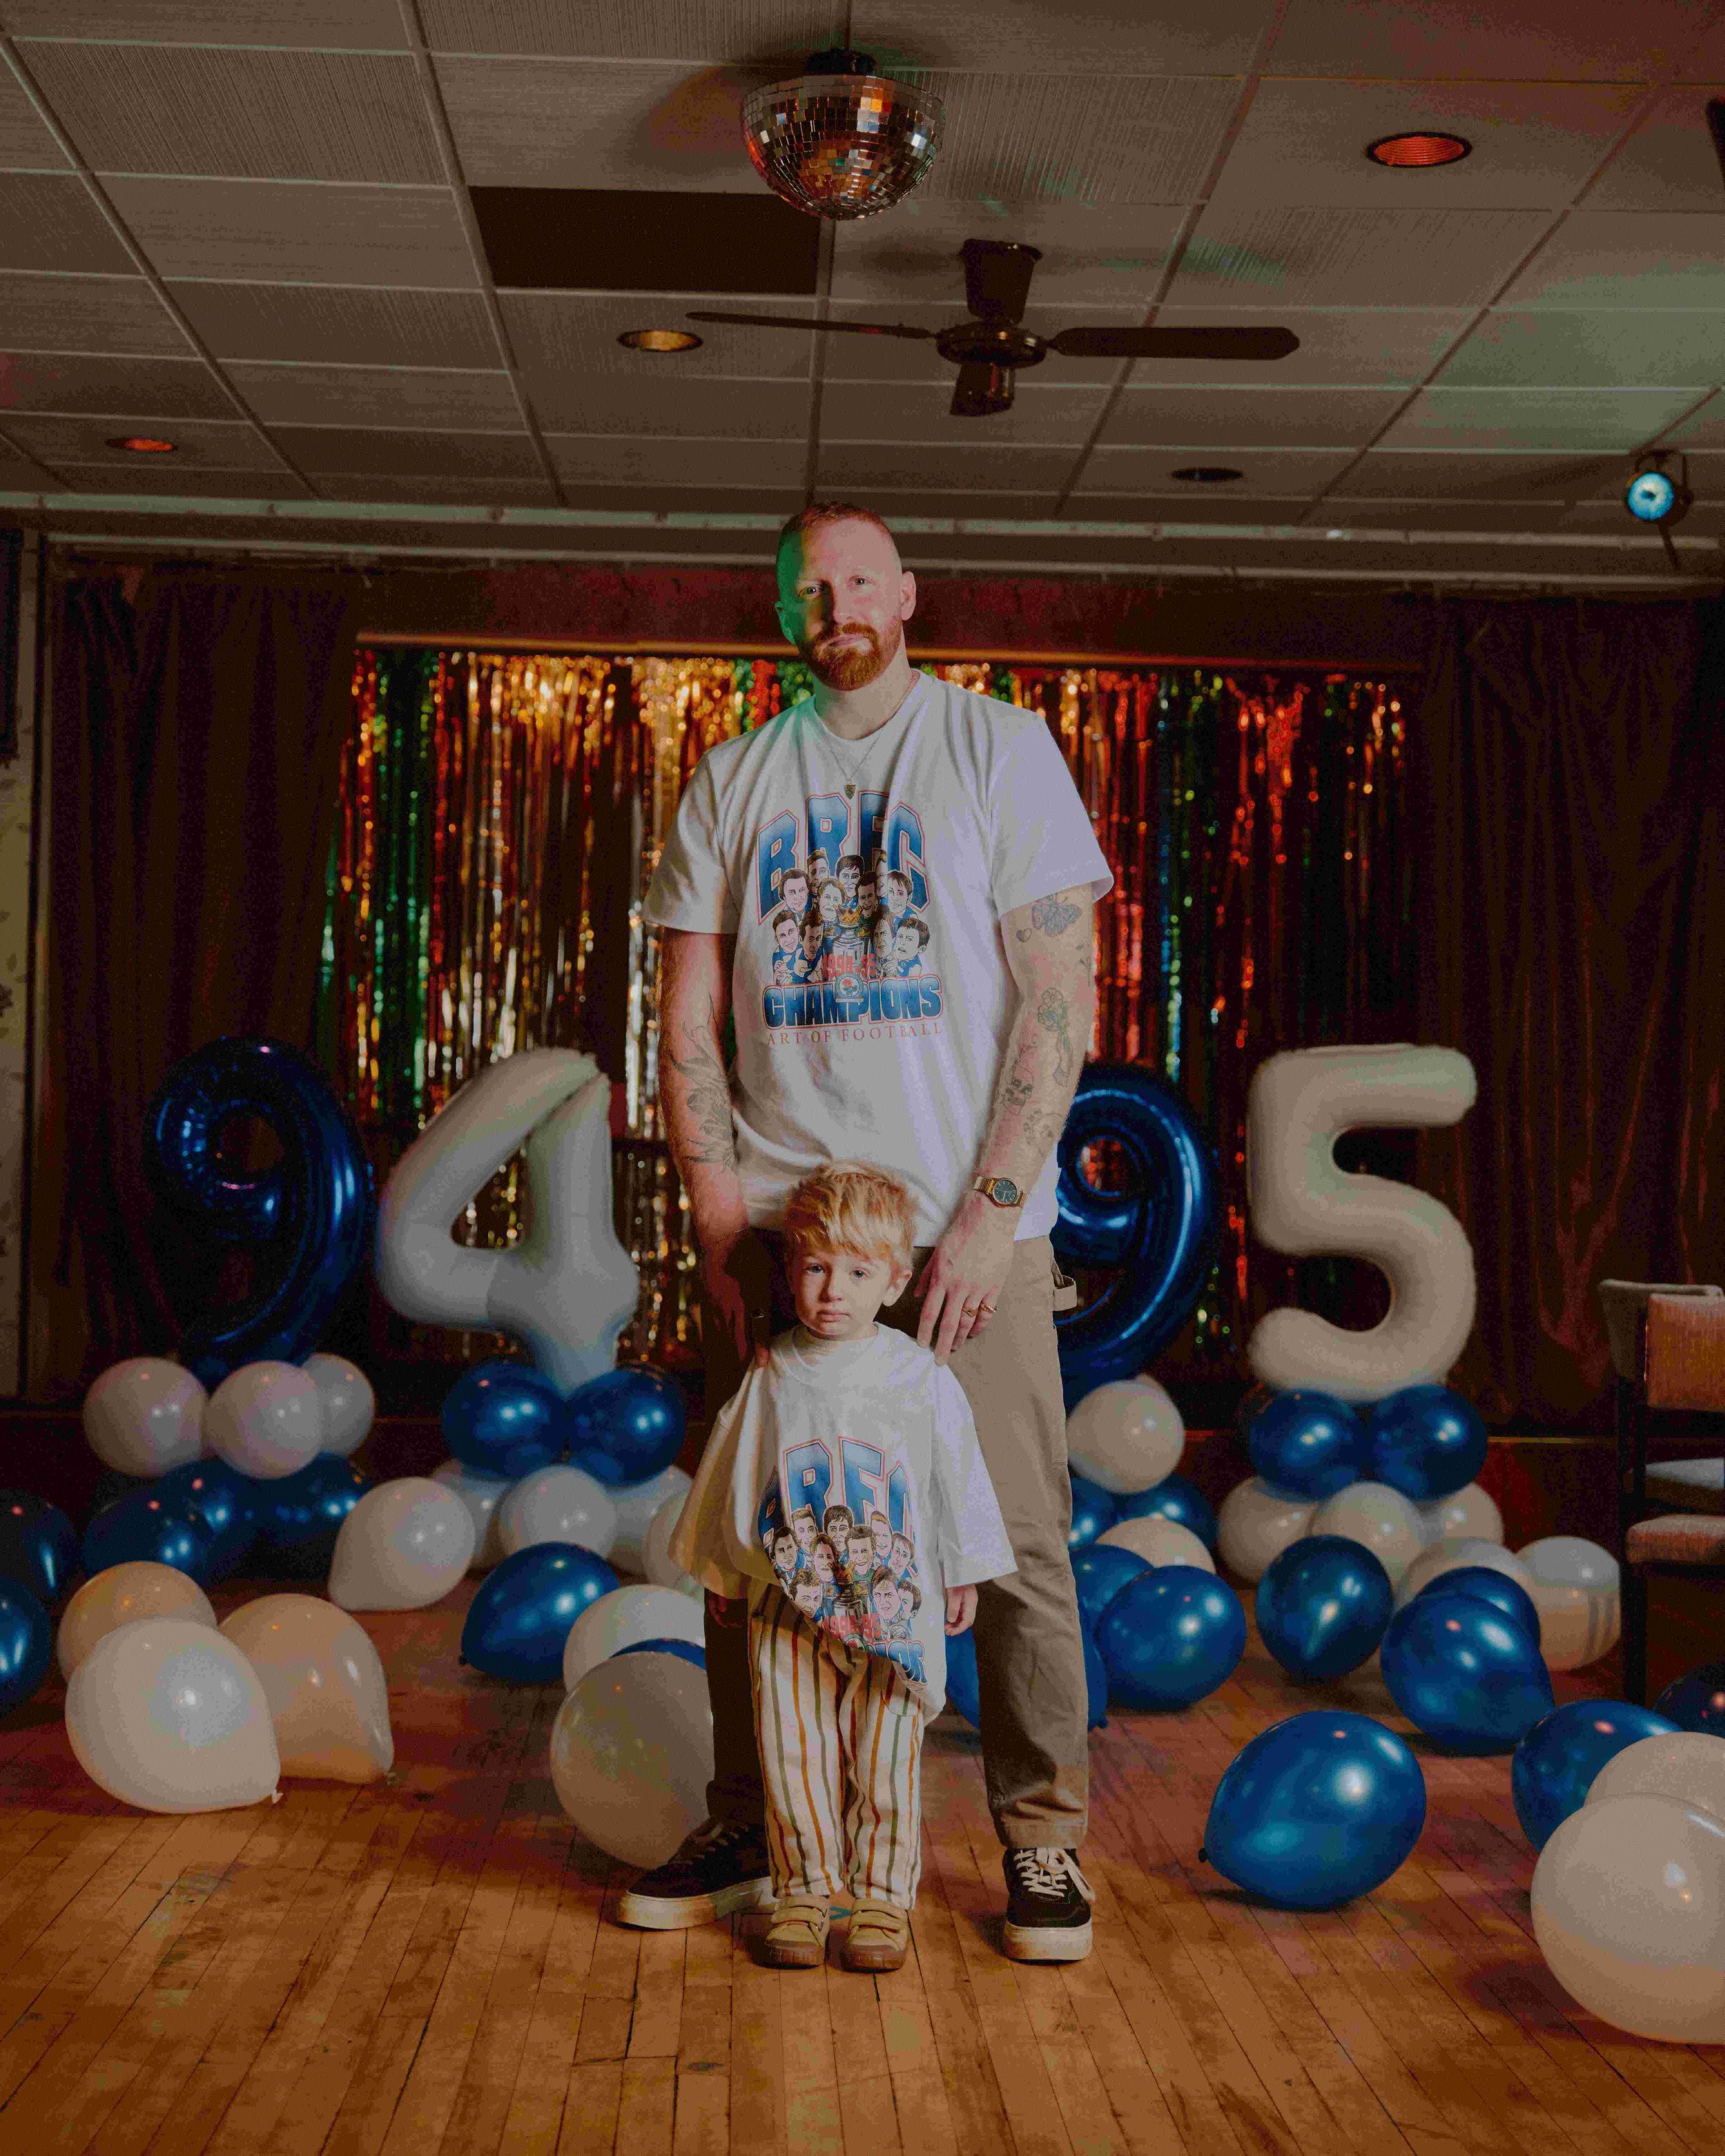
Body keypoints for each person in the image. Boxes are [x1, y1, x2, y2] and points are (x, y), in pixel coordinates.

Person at [633, 500, 1110, 1962]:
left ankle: (1041, 1844)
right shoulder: (731, 778)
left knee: (1019, 1541)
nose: (831, 600)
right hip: (785, 1230)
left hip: (965, 1231)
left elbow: (1061, 997)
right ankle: (753, 1818)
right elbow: (687, 1013)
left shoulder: (995, 750)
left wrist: (989, 1217)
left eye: (855, 576)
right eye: (803, 585)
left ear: (906, 593)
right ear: (782, 611)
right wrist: (718, 1217)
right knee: (752, 1544)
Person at [670, 1161, 1014, 1973]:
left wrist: (962, 1568)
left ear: (894, 1280)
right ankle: (802, 1892)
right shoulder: (773, 1372)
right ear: (790, 1270)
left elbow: (955, 1473)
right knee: (792, 1751)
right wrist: (726, 1571)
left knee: (884, 1755)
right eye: (816, 1266)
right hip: (791, 1599)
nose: (833, 1290)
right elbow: (734, 1470)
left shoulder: (918, 1377)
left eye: (858, 1272)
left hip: (891, 1604)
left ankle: (882, 1901)